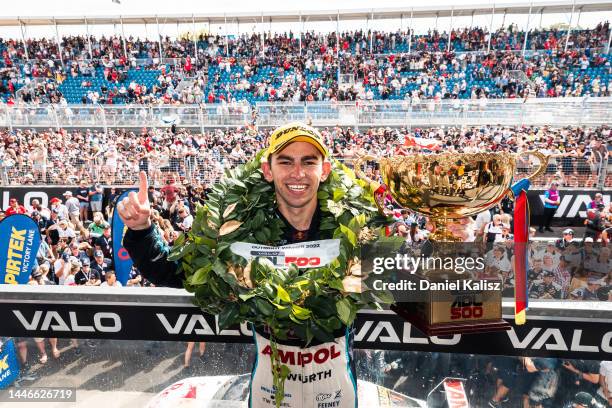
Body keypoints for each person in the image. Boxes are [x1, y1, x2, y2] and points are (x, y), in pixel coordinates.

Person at [118, 122, 469, 408]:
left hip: (338, 394)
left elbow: (428, 293)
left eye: (308, 161)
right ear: (267, 171)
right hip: (267, 394)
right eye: (285, 161)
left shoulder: (358, 233)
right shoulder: (235, 232)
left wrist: (453, 246)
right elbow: (170, 270)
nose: (297, 172)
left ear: (325, 170)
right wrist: (141, 230)